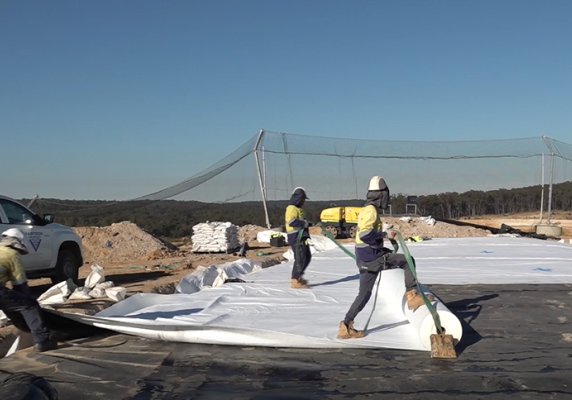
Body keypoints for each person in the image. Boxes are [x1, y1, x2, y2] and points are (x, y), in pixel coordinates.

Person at [338, 176, 434, 339]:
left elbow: (365, 233)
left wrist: (381, 240)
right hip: (372, 258)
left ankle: (345, 326)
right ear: (381, 196)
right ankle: (411, 295)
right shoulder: (371, 211)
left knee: (364, 294)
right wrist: (384, 233)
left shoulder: (365, 209)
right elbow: (365, 234)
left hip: (364, 257)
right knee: (407, 260)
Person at [0, 228, 57, 352]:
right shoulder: (11, 254)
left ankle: (28, 328)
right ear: (16, 243)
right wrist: (27, 299)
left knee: (11, 305)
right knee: (29, 306)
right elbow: (20, 285)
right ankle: (43, 340)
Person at [285, 187, 312, 288]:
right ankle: (295, 279)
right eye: (302, 199)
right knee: (300, 258)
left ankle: (298, 276)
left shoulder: (299, 209)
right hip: (296, 237)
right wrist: (303, 223)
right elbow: (291, 222)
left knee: (307, 257)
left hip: (302, 237)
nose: (303, 201)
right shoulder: (291, 208)